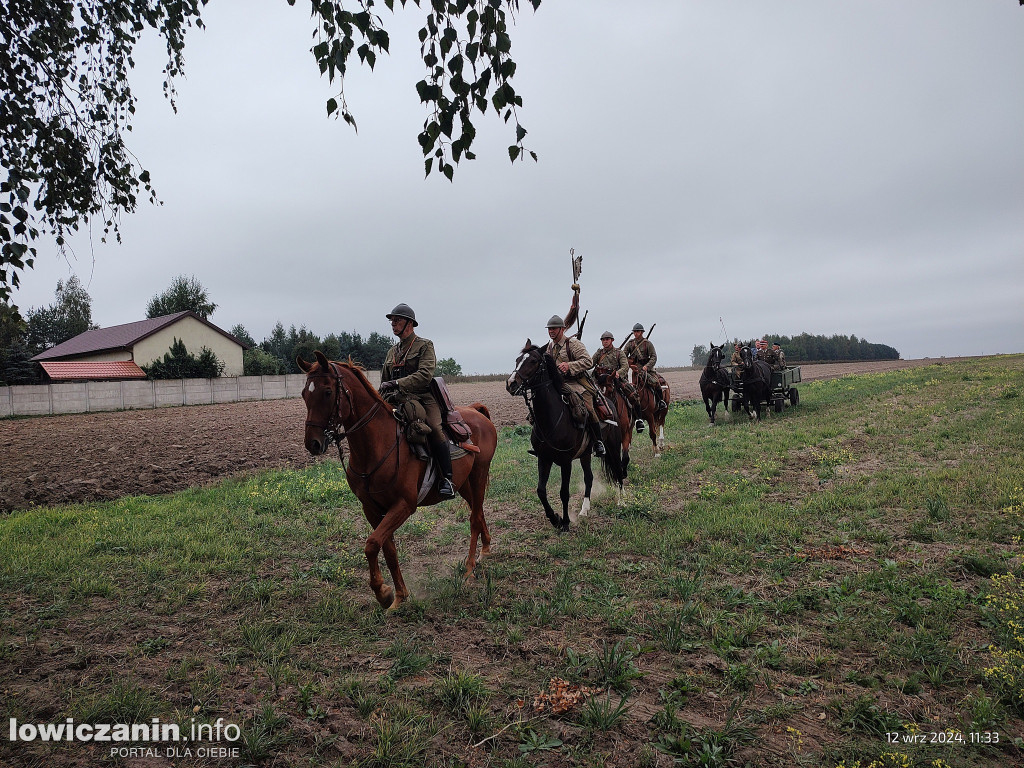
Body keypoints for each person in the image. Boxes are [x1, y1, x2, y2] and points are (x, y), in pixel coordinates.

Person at [378, 303, 455, 499]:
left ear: (410, 324)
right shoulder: (391, 351)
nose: (393, 324)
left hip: (423, 397)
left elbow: (425, 375)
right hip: (395, 399)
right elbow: (384, 380)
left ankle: (447, 479)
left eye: (398, 320)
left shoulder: (425, 345)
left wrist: (396, 382)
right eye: (392, 321)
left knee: (435, 428)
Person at [544, 315, 606, 456]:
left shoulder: (573, 344)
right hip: (558, 383)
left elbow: (588, 361)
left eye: (554, 329)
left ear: (562, 329)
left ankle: (598, 442)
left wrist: (570, 365)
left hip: (576, 382)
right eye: (549, 329)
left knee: (588, 408)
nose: (551, 331)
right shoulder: (549, 347)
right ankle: (542, 442)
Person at [592, 330, 643, 431]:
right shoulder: (599, 353)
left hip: (615, 379)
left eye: (607, 339)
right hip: (601, 380)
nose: (605, 341)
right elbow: (590, 363)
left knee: (634, 395)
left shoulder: (619, 353)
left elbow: (625, 366)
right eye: (603, 340)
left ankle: (638, 420)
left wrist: (618, 373)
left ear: (612, 340)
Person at [623, 323, 667, 412]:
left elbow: (654, 357)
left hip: (645, 369)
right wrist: (629, 364)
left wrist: (647, 366)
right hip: (633, 369)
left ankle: (660, 402)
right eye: (634, 332)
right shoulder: (630, 344)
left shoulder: (648, 344)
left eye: (637, 331)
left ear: (642, 332)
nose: (636, 333)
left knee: (655, 382)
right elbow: (623, 356)